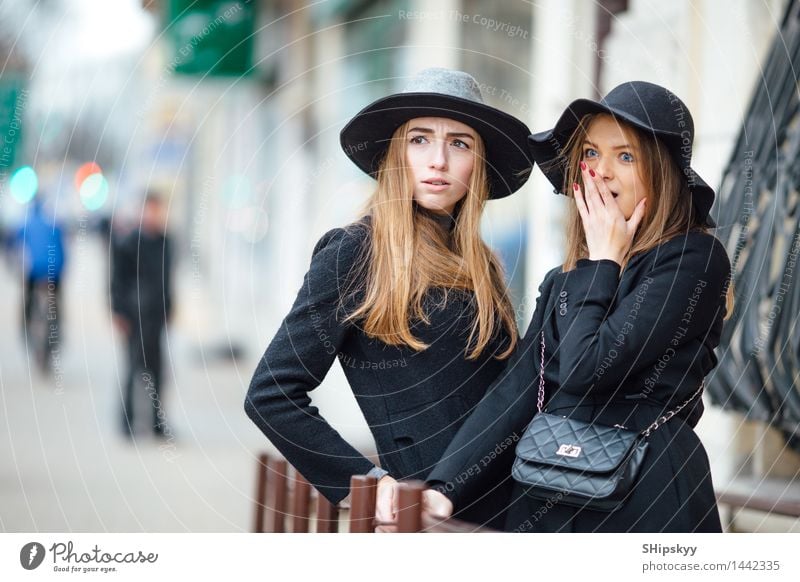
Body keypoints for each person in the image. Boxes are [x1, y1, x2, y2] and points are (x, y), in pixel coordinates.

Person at [420, 81, 734, 532]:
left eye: (625, 156)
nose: (601, 172)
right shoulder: (568, 278)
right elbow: (517, 390)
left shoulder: (693, 261)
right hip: (548, 493)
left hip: (643, 497)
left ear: (661, 172)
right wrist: (444, 487)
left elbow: (591, 369)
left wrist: (604, 259)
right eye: (590, 154)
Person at [244, 68, 533, 528]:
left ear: (477, 163)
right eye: (420, 140)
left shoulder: (482, 264)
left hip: (512, 507)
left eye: (459, 143)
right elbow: (270, 394)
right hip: (431, 523)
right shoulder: (355, 252)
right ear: (395, 155)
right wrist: (369, 481)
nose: (438, 159)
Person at [111, 194, 173, 439]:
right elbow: (117, 280)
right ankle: (127, 423)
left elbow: (167, 279)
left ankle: (157, 423)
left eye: (157, 211)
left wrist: (169, 306)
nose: (153, 216)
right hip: (133, 316)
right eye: (149, 210)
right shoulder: (128, 243)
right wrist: (118, 311)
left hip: (156, 316)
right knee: (132, 369)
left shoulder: (166, 242)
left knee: (157, 370)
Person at [15, 197, 66, 371]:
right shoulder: (55, 225)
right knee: (57, 304)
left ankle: (26, 323)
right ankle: (58, 329)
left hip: (34, 273)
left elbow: (15, 246)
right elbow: (64, 253)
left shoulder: (26, 224)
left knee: (27, 304)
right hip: (54, 273)